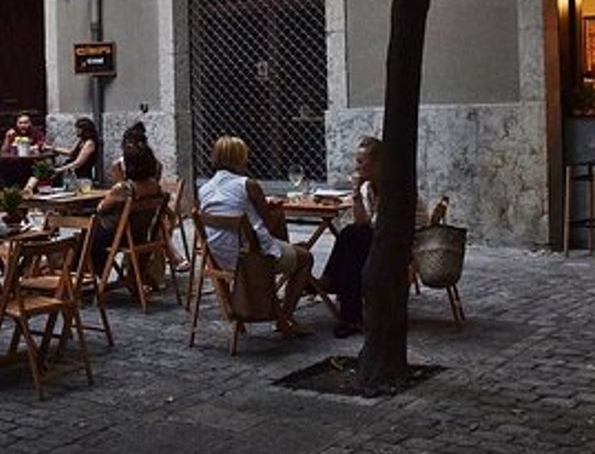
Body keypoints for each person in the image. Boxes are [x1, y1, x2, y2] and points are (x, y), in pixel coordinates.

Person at [197, 135, 314, 336]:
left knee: (283, 241)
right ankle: (284, 317)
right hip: (251, 259)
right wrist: (271, 210)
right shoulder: (248, 184)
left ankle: (287, 253)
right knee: (306, 258)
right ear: (239, 158)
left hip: (220, 258)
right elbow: (266, 225)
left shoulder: (204, 189)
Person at [319, 136, 428, 338]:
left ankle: (332, 285)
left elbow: (381, 227)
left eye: (361, 161)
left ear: (378, 163)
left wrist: (365, 227)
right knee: (353, 240)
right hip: (378, 240)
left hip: (406, 246)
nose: (357, 166)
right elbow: (363, 223)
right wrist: (355, 193)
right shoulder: (368, 187)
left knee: (352, 236)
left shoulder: (397, 188)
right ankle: (350, 316)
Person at [89, 134, 188, 286]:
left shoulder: (123, 189)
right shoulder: (154, 187)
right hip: (141, 234)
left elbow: (101, 208)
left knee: (85, 237)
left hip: (119, 235)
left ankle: (92, 279)